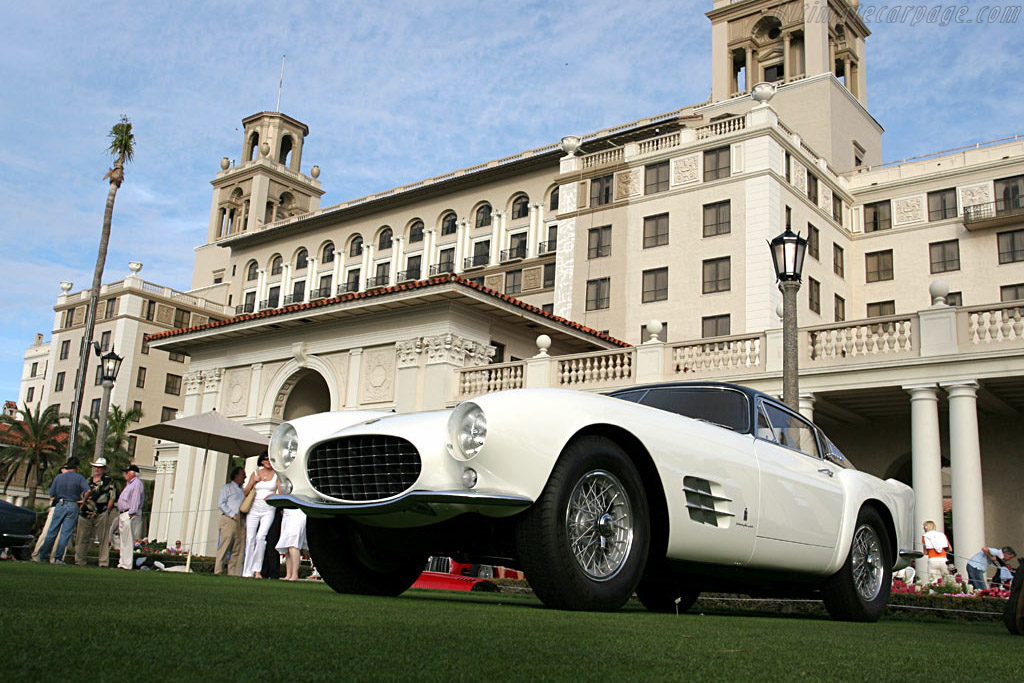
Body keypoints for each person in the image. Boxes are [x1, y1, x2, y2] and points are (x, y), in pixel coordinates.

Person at [36, 458, 90, 564]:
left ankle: (43, 556)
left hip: (60, 504)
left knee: (52, 531)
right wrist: (83, 500)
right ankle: (58, 558)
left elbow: (51, 493)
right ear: (77, 467)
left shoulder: (59, 477)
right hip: (73, 504)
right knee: (65, 533)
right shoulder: (79, 478)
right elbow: (88, 490)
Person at [74, 457, 119, 567]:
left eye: (99, 467)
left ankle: (103, 562)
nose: (97, 469)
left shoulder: (109, 481)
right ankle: (79, 560)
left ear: (103, 469)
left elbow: (112, 497)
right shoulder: (88, 480)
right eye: (95, 467)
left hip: (101, 512)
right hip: (86, 512)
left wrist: (107, 510)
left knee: (103, 538)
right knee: (82, 537)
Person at [241, 453, 279, 579]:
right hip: (254, 509)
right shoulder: (256, 473)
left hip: (268, 509)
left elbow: (281, 492)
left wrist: (274, 496)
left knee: (261, 537)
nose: (267, 461)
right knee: (250, 538)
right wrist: (253, 482)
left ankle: (257, 570)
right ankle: (247, 571)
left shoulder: (276, 474)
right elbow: (245, 492)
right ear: (261, 461)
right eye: (265, 459)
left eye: (269, 459)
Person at [214, 466, 246, 576]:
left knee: (238, 547)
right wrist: (232, 515)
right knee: (225, 545)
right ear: (236, 476)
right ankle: (218, 570)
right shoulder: (227, 488)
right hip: (229, 519)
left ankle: (234, 572)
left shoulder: (242, 490)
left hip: (240, 521)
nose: (244, 477)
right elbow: (221, 504)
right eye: (243, 474)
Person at [116, 464, 145, 570]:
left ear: (133, 473)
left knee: (128, 540)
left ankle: (126, 564)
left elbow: (135, 499)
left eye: (127, 472)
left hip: (130, 514)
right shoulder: (129, 484)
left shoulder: (136, 484)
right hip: (124, 513)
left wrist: (131, 513)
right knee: (123, 540)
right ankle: (122, 562)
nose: (125, 474)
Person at [276, 508, 307, 581]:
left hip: (298, 512)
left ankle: (294, 574)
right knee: (288, 545)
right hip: (288, 513)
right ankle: (288, 574)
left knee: (293, 544)